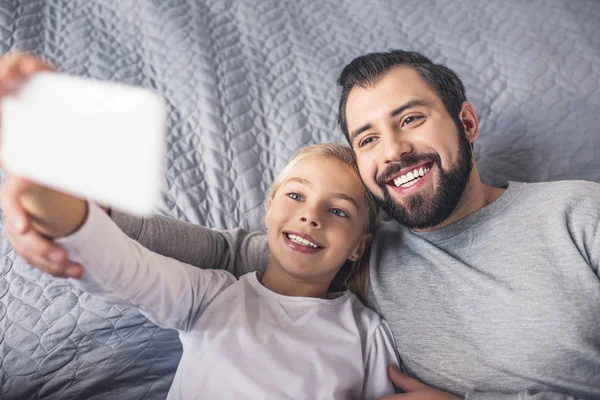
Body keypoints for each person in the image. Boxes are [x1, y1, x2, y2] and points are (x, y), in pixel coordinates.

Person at [3, 50, 600, 399]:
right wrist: (67, 203)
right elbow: (210, 255)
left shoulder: (579, 216)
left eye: (411, 118)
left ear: (466, 122)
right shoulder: (364, 255)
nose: (393, 150)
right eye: (367, 138)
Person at [2, 127, 401, 397]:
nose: (311, 216)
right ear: (268, 211)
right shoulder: (212, 296)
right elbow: (121, 267)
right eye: (296, 196)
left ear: (358, 247)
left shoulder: (366, 333)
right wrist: (38, 187)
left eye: (339, 211)